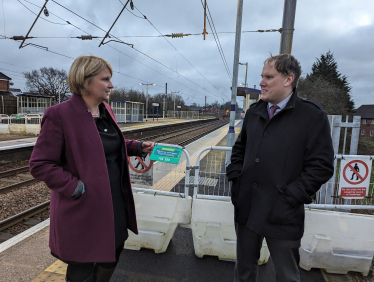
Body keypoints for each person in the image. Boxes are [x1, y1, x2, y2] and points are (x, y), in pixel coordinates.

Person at [29, 55, 154, 282]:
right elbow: (40, 164)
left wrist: (136, 147)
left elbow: (104, 146)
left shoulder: (105, 110)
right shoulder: (60, 115)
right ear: (86, 81)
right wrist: (75, 187)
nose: (111, 85)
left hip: (113, 202)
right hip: (83, 206)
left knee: (112, 255)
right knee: (83, 266)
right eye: (105, 79)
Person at [226, 54, 334, 282]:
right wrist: (236, 180)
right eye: (261, 77)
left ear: (288, 79)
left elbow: (322, 166)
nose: (262, 82)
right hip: (247, 206)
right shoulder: (255, 112)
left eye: (268, 77)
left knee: (287, 276)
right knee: (243, 272)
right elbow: (240, 149)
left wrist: (289, 198)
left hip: (283, 212)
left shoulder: (312, 116)